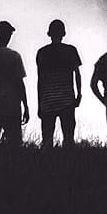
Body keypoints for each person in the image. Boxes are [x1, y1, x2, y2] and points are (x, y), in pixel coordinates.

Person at [34, 20, 83, 148]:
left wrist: (40, 103)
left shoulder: (42, 52)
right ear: (63, 33)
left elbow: (41, 80)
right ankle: (67, 165)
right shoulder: (71, 50)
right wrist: (79, 94)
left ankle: (47, 166)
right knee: (68, 138)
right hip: (67, 99)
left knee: (47, 140)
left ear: (49, 34)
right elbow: (77, 74)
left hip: (48, 99)